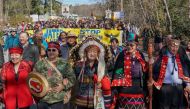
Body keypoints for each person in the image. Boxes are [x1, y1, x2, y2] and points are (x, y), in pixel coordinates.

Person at [73, 36, 112, 109]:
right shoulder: (79, 65)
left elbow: (106, 78)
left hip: (97, 97)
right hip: (82, 97)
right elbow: (73, 78)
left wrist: (102, 83)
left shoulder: (102, 66)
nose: (92, 54)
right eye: (90, 52)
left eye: (94, 52)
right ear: (86, 53)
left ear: (98, 54)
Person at [34, 42, 76, 109]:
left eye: (54, 50)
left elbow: (72, 79)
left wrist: (63, 86)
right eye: (49, 50)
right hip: (43, 99)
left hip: (59, 99)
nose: (51, 52)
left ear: (58, 51)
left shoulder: (64, 63)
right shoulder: (40, 63)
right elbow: (35, 78)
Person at [111, 32, 148, 109]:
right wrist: (116, 88)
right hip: (124, 89)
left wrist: (145, 89)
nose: (129, 47)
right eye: (128, 45)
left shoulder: (140, 55)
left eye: (132, 45)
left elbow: (145, 72)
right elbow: (117, 71)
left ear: (136, 45)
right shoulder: (122, 55)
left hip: (138, 89)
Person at [152, 36, 190, 109]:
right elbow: (154, 71)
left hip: (179, 89)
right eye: (172, 46)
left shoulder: (181, 58)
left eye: (177, 47)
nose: (174, 48)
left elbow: (185, 71)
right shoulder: (162, 57)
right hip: (165, 88)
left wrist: (188, 85)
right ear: (168, 46)